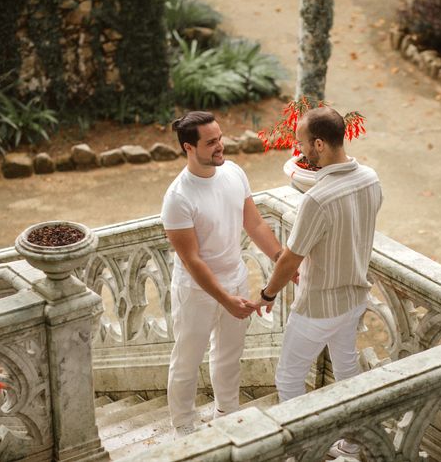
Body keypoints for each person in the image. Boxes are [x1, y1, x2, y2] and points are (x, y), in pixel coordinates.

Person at [253, 106, 383, 458]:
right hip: (355, 299)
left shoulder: (317, 199)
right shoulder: (371, 178)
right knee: (346, 368)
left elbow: (290, 259)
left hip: (318, 307)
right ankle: (354, 442)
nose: (300, 151)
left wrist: (267, 294)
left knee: (289, 378)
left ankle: (304, 450)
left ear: (320, 144)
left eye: (303, 144)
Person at [161, 111, 283, 437]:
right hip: (196, 291)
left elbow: (254, 223)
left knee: (229, 356)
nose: (220, 146)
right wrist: (225, 299)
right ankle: (184, 427)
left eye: (220, 137)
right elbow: (192, 261)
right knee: (187, 361)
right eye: (211, 142)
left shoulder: (234, 172)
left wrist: (282, 260)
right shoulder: (177, 198)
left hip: (237, 278)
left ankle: (227, 412)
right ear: (189, 147)